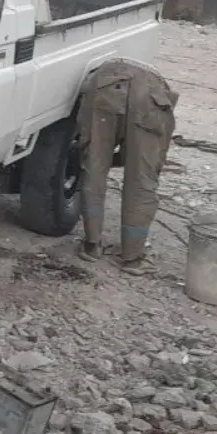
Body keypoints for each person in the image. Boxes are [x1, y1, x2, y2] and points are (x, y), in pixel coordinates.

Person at [75, 57, 178, 274]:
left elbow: (87, 146)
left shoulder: (98, 73)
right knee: (142, 178)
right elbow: (153, 162)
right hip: (150, 96)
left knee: (94, 168)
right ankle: (132, 258)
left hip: (104, 84)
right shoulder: (159, 87)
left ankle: (92, 245)